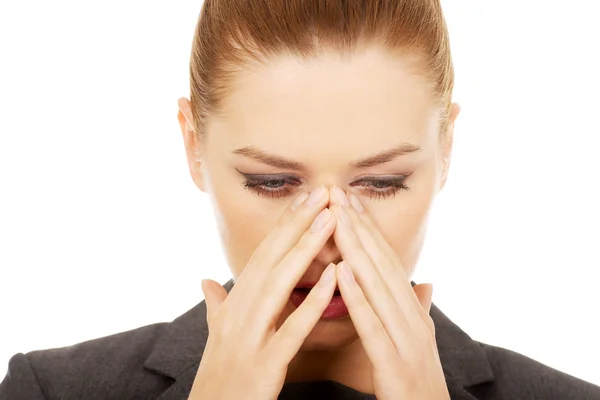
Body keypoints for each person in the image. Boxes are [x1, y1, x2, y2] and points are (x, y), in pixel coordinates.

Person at [1, 0, 599, 399]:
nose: (330, 239)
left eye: (382, 183)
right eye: (272, 183)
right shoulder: (47, 390)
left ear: (446, 149)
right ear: (193, 147)